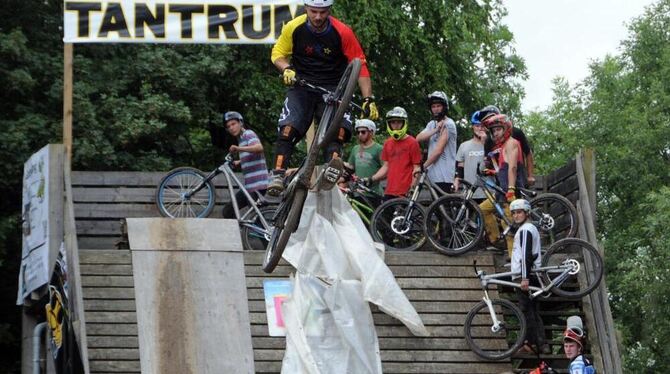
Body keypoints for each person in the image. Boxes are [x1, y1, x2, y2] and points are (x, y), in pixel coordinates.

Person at [267, 0, 379, 195]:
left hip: (334, 88)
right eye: (313, 12)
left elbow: (360, 65)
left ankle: (331, 171)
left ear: (329, 10)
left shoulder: (343, 32)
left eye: (323, 12)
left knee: (338, 132)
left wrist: (368, 98)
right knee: (288, 128)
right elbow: (277, 54)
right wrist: (286, 69)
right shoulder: (294, 27)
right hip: (302, 85)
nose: (318, 17)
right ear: (306, 9)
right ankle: (278, 174)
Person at [480, 113, 525, 257]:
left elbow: (512, 168)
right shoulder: (503, 146)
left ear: (506, 128)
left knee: (509, 226)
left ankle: (514, 262)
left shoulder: (511, 143)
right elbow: (503, 170)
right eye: (493, 131)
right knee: (482, 209)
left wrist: (511, 189)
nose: (495, 133)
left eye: (498, 129)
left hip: (510, 191)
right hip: (501, 191)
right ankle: (496, 240)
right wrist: (492, 172)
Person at [509, 199, 549, 354]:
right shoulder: (529, 229)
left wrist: (524, 277)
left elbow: (526, 255)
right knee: (532, 310)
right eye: (513, 213)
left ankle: (531, 343)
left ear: (527, 213)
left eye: (519, 212)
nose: (516, 216)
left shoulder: (526, 229)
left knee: (526, 310)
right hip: (529, 274)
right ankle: (540, 344)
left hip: (525, 275)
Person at [362, 107, 422, 201]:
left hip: (405, 192)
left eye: (398, 122)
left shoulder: (412, 142)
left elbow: (417, 168)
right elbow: (386, 166)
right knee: (383, 215)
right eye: (393, 122)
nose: (396, 125)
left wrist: (412, 188)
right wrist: (371, 179)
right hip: (389, 191)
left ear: (404, 123)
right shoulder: (388, 143)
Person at [220, 111, 269, 219]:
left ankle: (263, 235)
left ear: (240, 122)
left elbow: (258, 148)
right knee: (228, 211)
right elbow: (252, 154)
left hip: (257, 184)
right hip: (249, 186)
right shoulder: (241, 139)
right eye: (228, 126)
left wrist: (238, 149)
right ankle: (241, 233)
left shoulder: (248, 134)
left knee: (255, 216)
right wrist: (239, 162)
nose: (231, 128)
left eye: (233, 124)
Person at [477, 105, 536, 186]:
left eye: (490, 118)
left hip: (518, 176)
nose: (490, 122)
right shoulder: (488, 141)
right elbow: (489, 162)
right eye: (486, 122)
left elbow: (528, 153)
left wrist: (530, 175)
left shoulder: (515, 132)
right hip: (502, 178)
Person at [416, 91, 457, 193]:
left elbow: (438, 151)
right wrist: (435, 130)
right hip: (433, 177)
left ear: (444, 107)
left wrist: (422, 167)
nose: (436, 109)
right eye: (433, 106)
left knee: (443, 208)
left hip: (444, 177)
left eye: (438, 106)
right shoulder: (432, 124)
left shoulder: (449, 124)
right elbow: (418, 138)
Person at [453, 111, 487, 203]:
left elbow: (493, 164)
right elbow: (460, 167)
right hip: (469, 191)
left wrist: (485, 143)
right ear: (472, 127)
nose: (480, 128)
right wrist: (457, 180)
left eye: (482, 126)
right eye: (477, 126)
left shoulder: (491, 145)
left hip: (488, 193)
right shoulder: (464, 145)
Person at [346, 119, 383, 196]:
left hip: (373, 193)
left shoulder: (379, 148)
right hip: (357, 193)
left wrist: (372, 179)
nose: (360, 134)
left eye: (363, 132)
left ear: (371, 132)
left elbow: (386, 170)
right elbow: (351, 168)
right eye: (358, 132)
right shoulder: (355, 148)